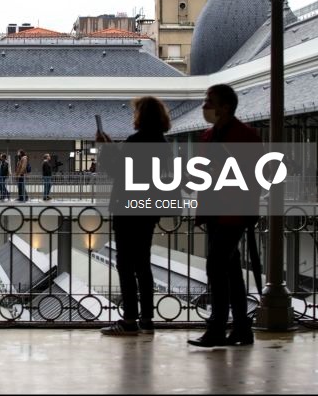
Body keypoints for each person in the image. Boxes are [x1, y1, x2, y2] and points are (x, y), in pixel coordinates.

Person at [188, 84, 260, 348]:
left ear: (225, 106)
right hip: (215, 211)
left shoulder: (245, 136)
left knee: (216, 266)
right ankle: (242, 328)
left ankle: (217, 327)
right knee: (230, 271)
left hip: (233, 210)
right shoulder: (209, 136)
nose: (205, 106)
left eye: (209, 101)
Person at [97, 96, 172, 336]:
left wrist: (105, 150)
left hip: (128, 209)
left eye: (135, 112)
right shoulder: (162, 142)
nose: (133, 116)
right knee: (143, 264)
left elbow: (119, 172)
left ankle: (129, 319)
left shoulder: (135, 140)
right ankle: (147, 319)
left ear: (142, 115)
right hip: (148, 208)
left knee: (125, 265)